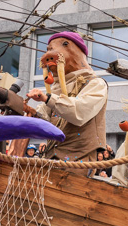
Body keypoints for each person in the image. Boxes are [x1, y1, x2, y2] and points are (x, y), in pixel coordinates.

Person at [24, 32, 109, 166]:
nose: (51, 52)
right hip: (51, 160)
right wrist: (27, 110)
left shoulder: (96, 83)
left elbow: (79, 112)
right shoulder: (54, 90)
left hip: (80, 161)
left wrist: (47, 98)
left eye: (64, 45)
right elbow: (44, 119)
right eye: (49, 49)